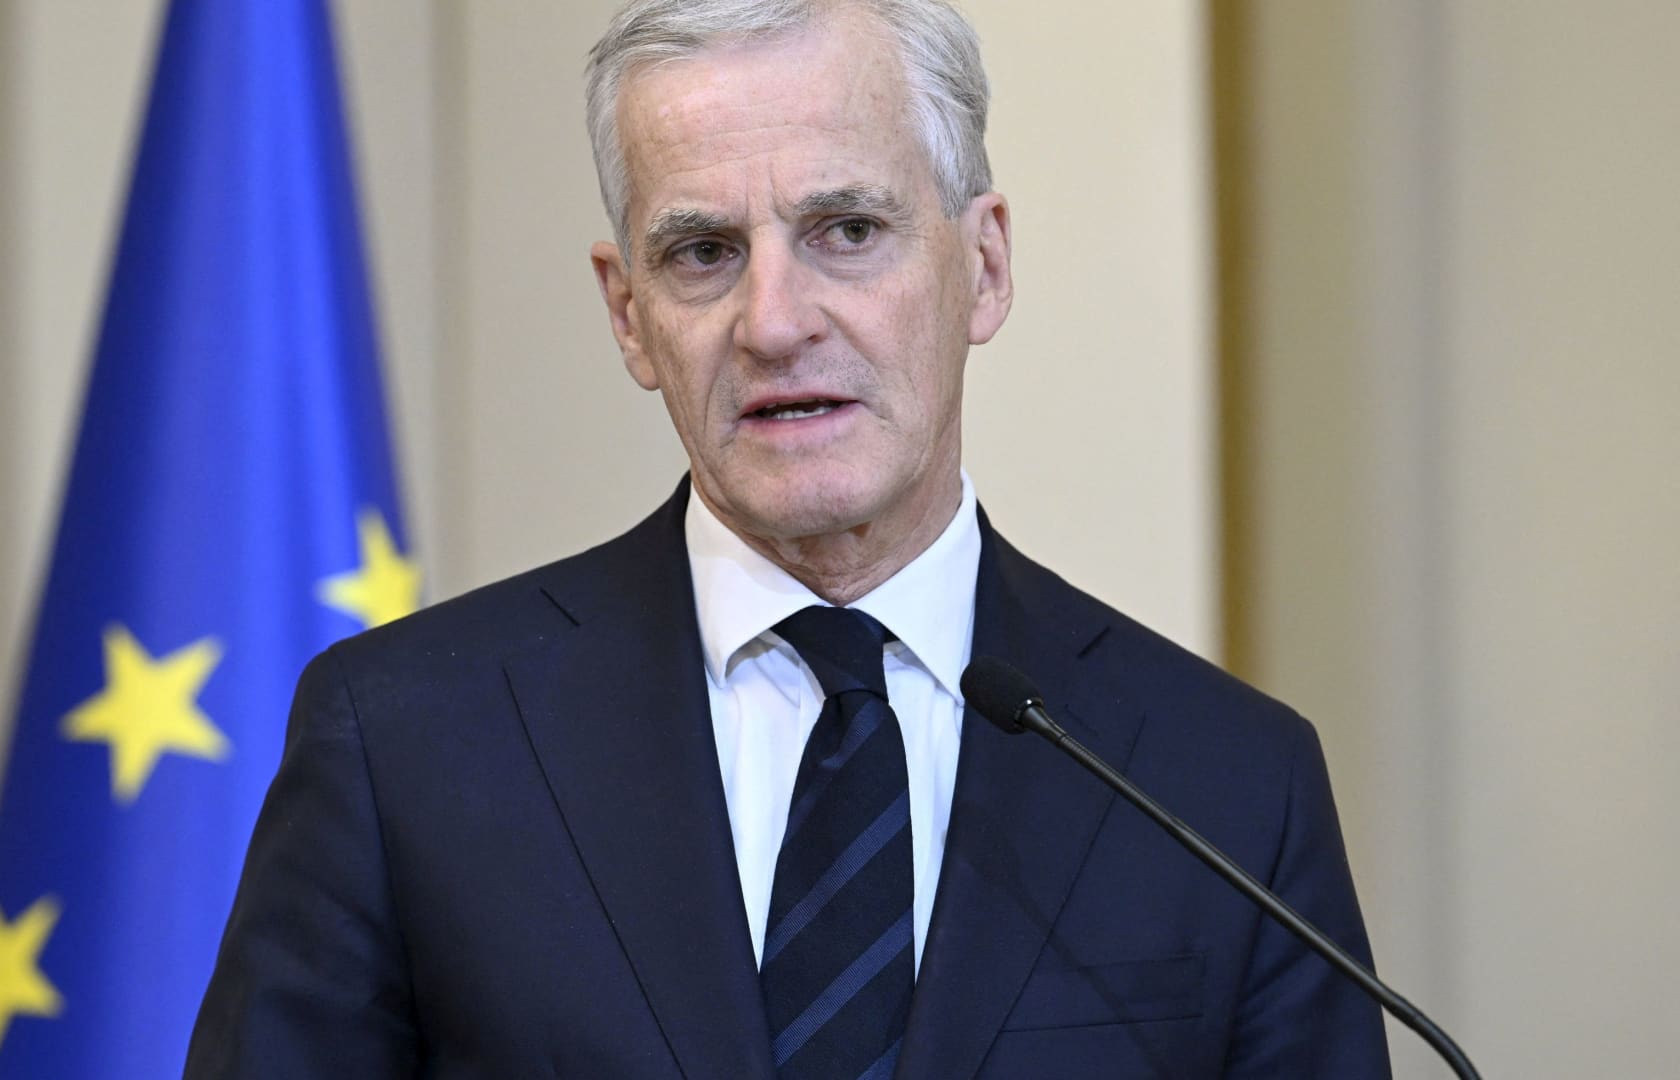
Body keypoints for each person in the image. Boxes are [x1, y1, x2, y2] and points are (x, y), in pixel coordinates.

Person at [187, 1, 1391, 1076]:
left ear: (982, 266)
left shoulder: (1225, 785)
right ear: (629, 315)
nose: (772, 322)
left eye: (847, 230)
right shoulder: (406, 742)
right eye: (704, 254)